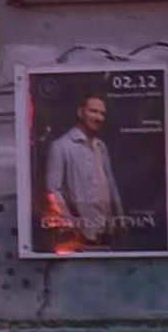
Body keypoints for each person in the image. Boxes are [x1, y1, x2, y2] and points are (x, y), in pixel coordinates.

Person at [38, 88, 126, 254]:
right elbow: (53, 190)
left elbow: (110, 184)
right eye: (93, 111)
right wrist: (71, 223)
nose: (99, 118)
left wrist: (120, 218)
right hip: (79, 236)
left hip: (106, 231)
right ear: (80, 112)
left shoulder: (101, 146)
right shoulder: (61, 146)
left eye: (102, 113)